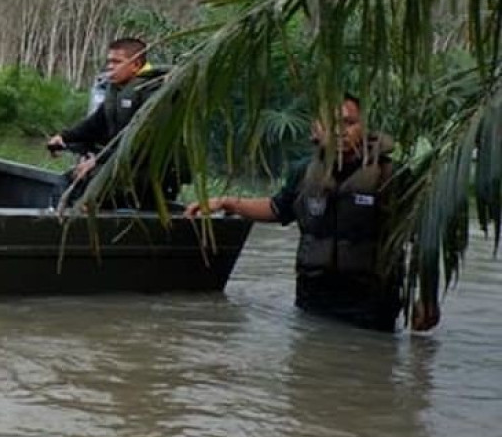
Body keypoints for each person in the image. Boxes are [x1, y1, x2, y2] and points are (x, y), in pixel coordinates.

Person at [186, 95, 406, 332]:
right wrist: (227, 203)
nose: (340, 132)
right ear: (316, 129)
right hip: (312, 299)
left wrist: (426, 299)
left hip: (371, 305)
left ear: (364, 127)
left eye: (349, 123)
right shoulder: (304, 172)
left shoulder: (391, 176)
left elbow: (423, 238)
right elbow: (276, 208)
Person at [46, 37, 180, 208]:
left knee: (82, 188)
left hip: (149, 174)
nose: (110, 66)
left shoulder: (155, 91)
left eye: (117, 62)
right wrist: (64, 137)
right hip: (120, 167)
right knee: (66, 183)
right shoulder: (119, 89)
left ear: (136, 65)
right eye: (109, 61)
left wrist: (98, 162)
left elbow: (142, 142)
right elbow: (96, 123)